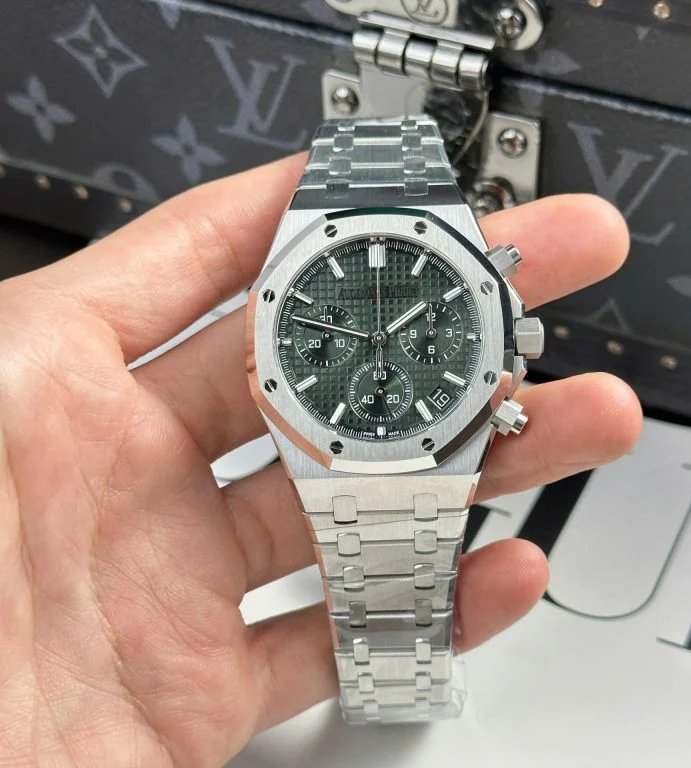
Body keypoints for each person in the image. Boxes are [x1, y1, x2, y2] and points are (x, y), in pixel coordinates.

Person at [0, 154, 642, 766]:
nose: (380, 340)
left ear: (514, 338)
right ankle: (396, 684)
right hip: (341, 440)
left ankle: (401, 682)